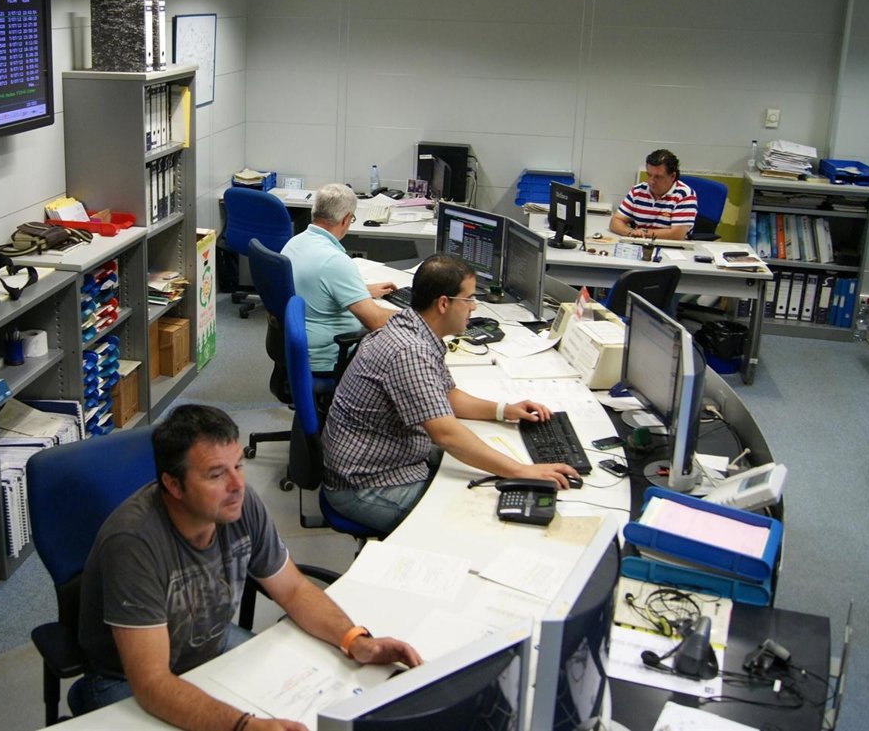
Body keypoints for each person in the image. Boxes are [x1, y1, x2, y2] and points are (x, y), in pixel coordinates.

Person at [75, 404, 422, 729]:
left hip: (210, 644)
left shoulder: (238, 506)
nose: (237, 485)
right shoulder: (133, 543)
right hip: (125, 680)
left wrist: (356, 640)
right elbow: (152, 683)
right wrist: (244, 725)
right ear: (173, 485)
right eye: (216, 475)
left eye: (238, 466)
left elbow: (294, 590)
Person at [323, 254, 578, 535]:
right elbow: (445, 434)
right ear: (443, 303)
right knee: (479, 527)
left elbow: (446, 395)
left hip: (388, 459)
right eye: (468, 299)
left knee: (485, 474)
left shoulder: (413, 326)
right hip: (366, 486)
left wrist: (503, 410)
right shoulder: (410, 352)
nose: (474, 306)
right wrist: (521, 471)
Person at [281, 183, 397, 373]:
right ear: (346, 219)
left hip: (297, 348)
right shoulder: (334, 261)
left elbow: (314, 287)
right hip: (330, 356)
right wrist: (418, 316)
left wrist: (361, 292)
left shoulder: (294, 244)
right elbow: (375, 321)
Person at [609, 149, 698, 241]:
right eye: (649, 175)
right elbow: (615, 221)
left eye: (658, 177)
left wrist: (644, 233)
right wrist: (631, 232)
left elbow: (677, 235)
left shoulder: (685, 195)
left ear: (672, 176)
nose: (651, 181)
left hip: (671, 247)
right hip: (639, 243)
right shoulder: (638, 191)